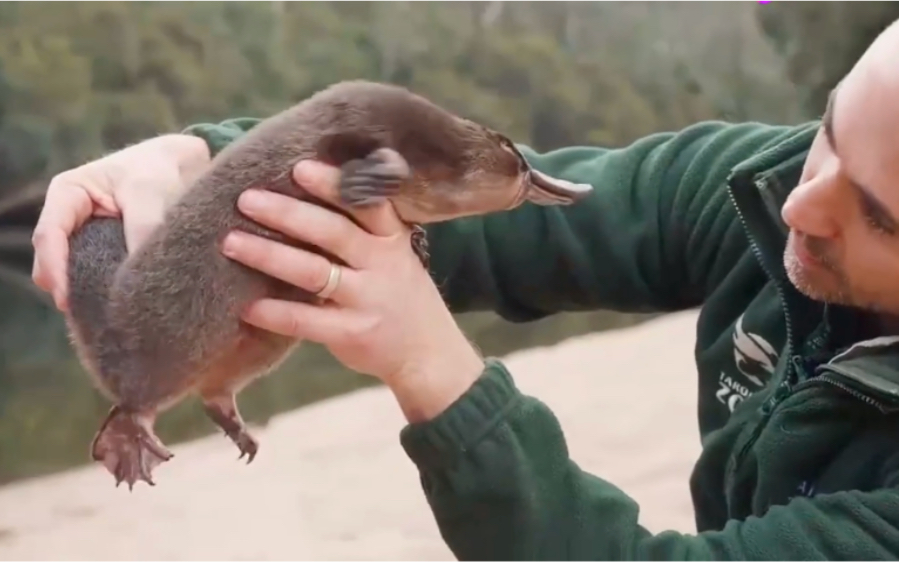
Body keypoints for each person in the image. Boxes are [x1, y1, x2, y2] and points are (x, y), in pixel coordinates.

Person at [29, 18, 899, 561]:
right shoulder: (768, 188)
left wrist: (433, 367)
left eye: (876, 218)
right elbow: (495, 213)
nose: (795, 202)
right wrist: (203, 160)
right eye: (824, 133)